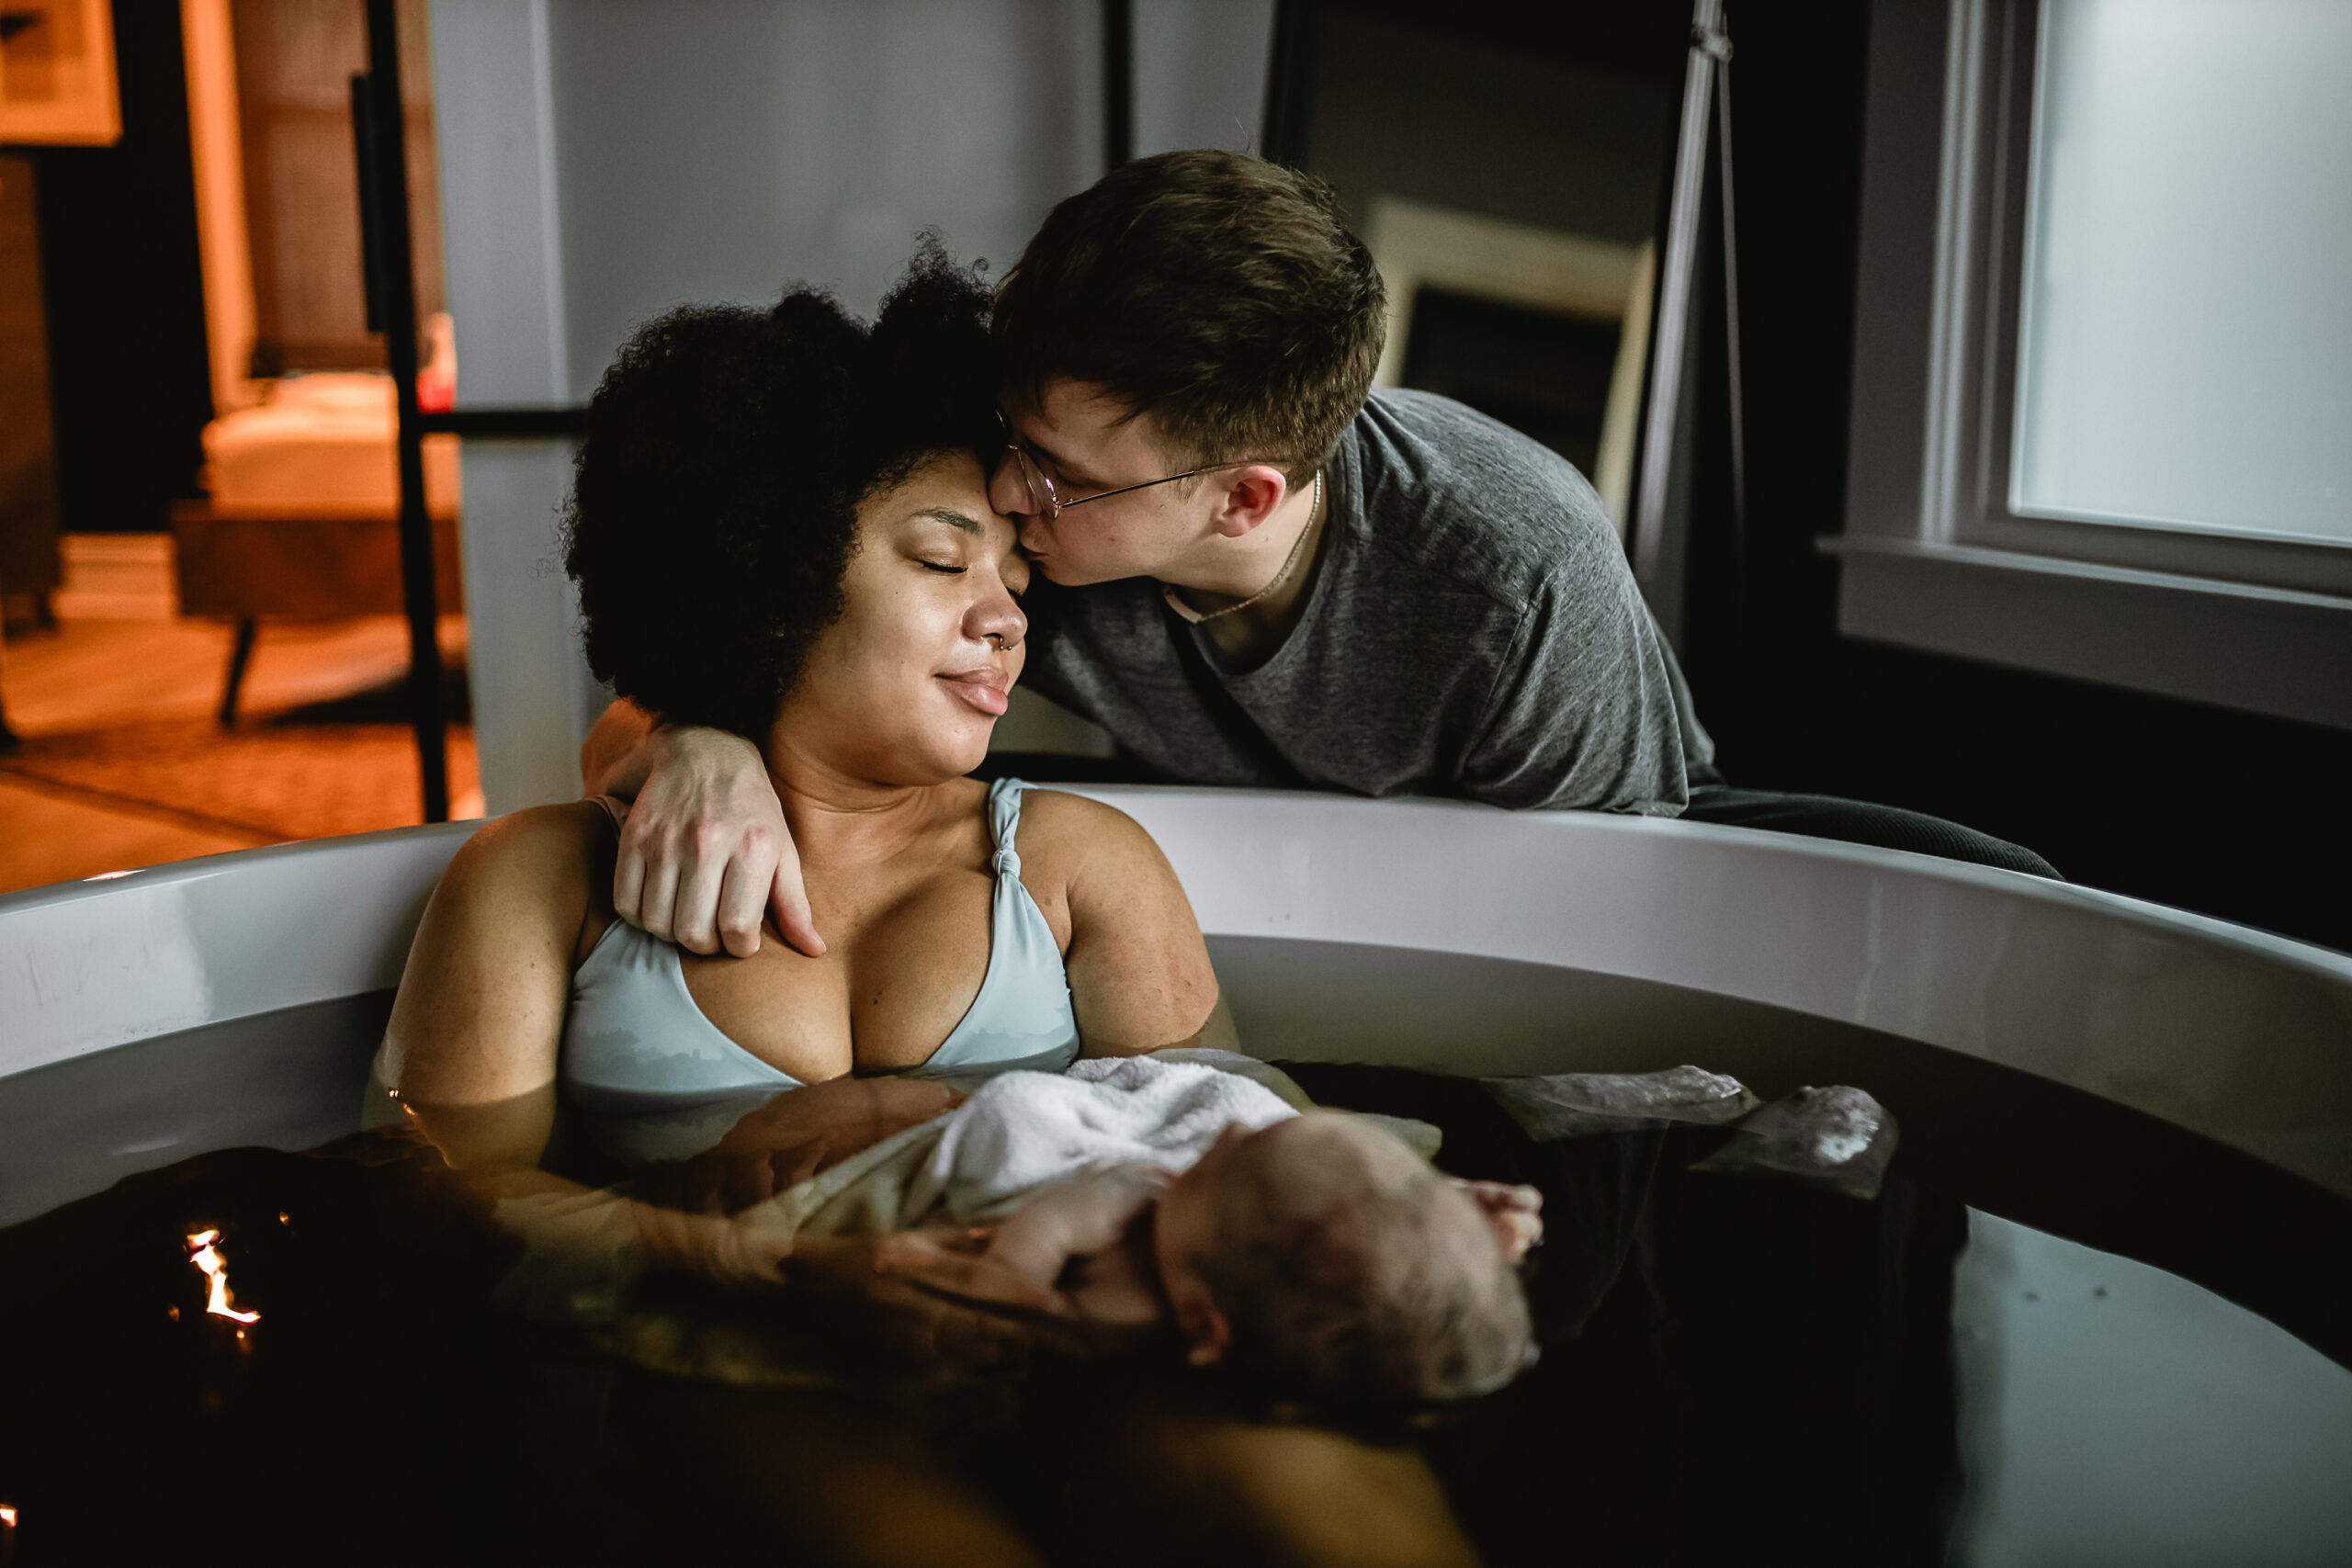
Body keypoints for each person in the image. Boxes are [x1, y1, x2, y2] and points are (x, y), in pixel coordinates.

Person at [379, 248, 1487, 1566]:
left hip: (1094, 1321)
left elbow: (1244, 1146)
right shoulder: (538, 880)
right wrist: (775, 1269)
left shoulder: (1078, 864)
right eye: (940, 561)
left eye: (1014, 582)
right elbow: (440, 1202)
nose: (1005, 622)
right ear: (773, 568)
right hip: (738, 1344)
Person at [584, 149, 2049, 964]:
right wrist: (697, 722)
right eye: (1010, 435)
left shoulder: (1511, 575)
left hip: (1574, 856)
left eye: (1065, 476)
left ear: (1241, 497)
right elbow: (733, 555)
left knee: (2002, 889)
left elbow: (1616, 933)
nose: (1010, 500)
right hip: (1197, 828)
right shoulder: (1010, 457)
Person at [761, 1055, 1544, 1413]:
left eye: (1214, 1166)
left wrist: (1037, 1246)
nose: (1230, 1127)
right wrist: (1432, 1204)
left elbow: (1009, 1280)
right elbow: (1345, 1216)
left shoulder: (1125, 1269)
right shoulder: (1256, 1274)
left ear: (1204, 1320)